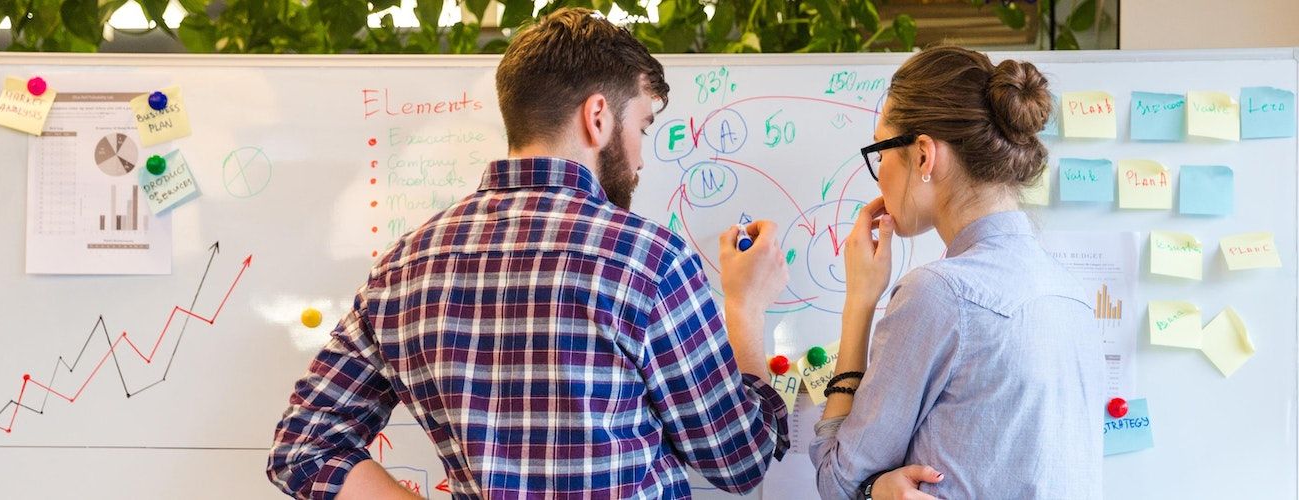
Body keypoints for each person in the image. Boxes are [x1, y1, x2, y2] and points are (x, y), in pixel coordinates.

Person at [266, 8, 793, 499]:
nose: (639, 158)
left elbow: (306, 447)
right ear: (598, 116)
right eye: (642, 127)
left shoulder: (403, 269)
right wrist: (745, 309)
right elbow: (739, 461)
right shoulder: (648, 260)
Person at [809, 46, 1104, 500]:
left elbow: (837, 481)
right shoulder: (1072, 295)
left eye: (881, 151)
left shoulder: (941, 295)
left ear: (924, 155)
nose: (879, 175)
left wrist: (859, 302)